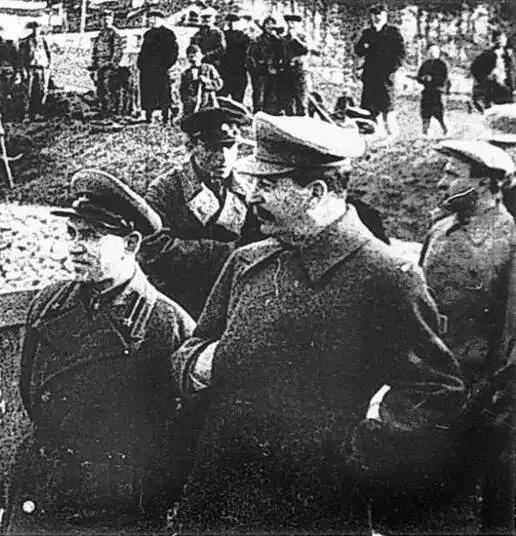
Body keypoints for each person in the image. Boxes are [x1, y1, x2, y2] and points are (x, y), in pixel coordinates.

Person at [170, 113, 481, 534]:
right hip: (219, 498)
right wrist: (205, 364)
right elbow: (193, 347)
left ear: (315, 192)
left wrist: (355, 454)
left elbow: (435, 394)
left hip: (313, 507)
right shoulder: (247, 261)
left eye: (267, 185)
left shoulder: (388, 277)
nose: (253, 196)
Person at [2, 169, 195, 535]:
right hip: (39, 494)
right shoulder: (48, 304)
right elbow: (30, 395)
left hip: (111, 511)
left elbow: (181, 445)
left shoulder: (167, 326)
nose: (75, 247)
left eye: (91, 236)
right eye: (72, 233)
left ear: (131, 244)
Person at [419, 139, 516, 534]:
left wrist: (491, 391)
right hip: (429, 380)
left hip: (479, 390)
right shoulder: (440, 230)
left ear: (485, 184)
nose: (441, 183)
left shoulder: (509, 240)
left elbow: (512, 330)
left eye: (452, 175)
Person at [139, 100, 260, 318]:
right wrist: (227, 252)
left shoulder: (248, 187)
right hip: (180, 297)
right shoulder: (166, 189)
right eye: (212, 148)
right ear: (192, 147)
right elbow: (151, 249)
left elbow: (259, 238)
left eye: (230, 146)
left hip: (234, 293)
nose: (223, 157)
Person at [354, 3, 406, 136]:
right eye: (375, 14)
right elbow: (358, 51)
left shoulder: (393, 32)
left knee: (387, 106)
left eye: (380, 14)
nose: (377, 17)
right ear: (371, 16)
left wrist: (392, 68)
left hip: (385, 76)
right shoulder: (367, 33)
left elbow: (401, 54)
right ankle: (372, 133)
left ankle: (391, 133)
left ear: (385, 15)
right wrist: (364, 46)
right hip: (370, 75)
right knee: (369, 106)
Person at [137, 9, 179, 124]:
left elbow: (173, 53)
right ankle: (148, 117)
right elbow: (143, 51)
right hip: (148, 69)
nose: (152, 21)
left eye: (155, 18)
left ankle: (165, 117)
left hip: (162, 69)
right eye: (150, 19)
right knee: (148, 93)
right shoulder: (148, 34)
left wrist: (165, 66)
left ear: (162, 20)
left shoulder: (168, 34)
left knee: (164, 93)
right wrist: (140, 64)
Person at [246, 16, 285, 114]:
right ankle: (257, 116)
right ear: (264, 26)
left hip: (274, 73)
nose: (270, 26)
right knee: (259, 98)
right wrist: (256, 71)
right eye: (267, 24)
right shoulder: (257, 40)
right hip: (260, 74)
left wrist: (278, 68)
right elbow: (250, 57)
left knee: (272, 99)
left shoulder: (278, 41)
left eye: (272, 24)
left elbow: (283, 55)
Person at [89, 10, 124, 117]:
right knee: (100, 88)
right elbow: (95, 51)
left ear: (112, 20)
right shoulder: (100, 35)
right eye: (104, 19)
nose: (106, 21)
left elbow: (117, 51)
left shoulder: (115, 34)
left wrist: (112, 64)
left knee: (109, 88)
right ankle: (104, 110)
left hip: (109, 66)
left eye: (108, 19)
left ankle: (112, 111)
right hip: (100, 66)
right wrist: (93, 65)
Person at [471, 30, 515, 112]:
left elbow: (512, 71)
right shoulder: (487, 55)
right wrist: (486, 78)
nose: (500, 41)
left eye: (503, 38)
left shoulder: (508, 55)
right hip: (492, 89)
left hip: (506, 89)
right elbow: (475, 69)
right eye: (498, 39)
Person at [18, 21, 51, 122]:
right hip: (30, 69)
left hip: (42, 68)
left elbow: (48, 54)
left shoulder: (43, 41)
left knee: (41, 91)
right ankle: (26, 114)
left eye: (38, 28)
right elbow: (21, 57)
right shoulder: (26, 41)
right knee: (28, 92)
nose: (37, 30)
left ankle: (38, 112)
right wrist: (23, 70)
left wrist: (48, 67)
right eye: (35, 28)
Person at [280, 14, 311, 116]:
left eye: (293, 23)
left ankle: (302, 116)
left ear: (298, 24)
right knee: (288, 99)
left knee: (301, 99)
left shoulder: (303, 36)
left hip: (300, 71)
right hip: (287, 71)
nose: (290, 25)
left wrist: (295, 38)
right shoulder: (285, 38)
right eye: (289, 23)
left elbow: (305, 50)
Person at [179, 44, 223, 117]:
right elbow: (182, 90)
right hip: (191, 108)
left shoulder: (209, 68)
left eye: (196, 56)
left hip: (208, 104)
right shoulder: (186, 73)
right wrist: (188, 100)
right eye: (191, 57)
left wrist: (207, 81)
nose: (194, 59)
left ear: (200, 56)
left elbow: (219, 84)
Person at [0, 24, 20, 123]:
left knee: (12, 93)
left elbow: (17, 60)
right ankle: (4, 115)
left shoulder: (11, 44)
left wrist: (17, 72)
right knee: (1, 95)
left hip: (9, 72)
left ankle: (13, 115)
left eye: (0, 32)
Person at [416, 43, 449, 136]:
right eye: (430, 51)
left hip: (437, 91)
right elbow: (419, 76)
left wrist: (432, 79)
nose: (431, 53)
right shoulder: (425, 64)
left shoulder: (442, 64)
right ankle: (425, 131)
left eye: (434, 51)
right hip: (426, 91)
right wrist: (423, 78)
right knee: (425, 112)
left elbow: (443, 78)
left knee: (438, 112)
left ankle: (445, 129)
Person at [219, 13, 251, 102]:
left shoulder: (244, 36)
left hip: (238, 70)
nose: (232, 23)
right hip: (226, 70)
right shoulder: (223, 35)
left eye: (234, 21)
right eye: (230, 21)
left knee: (237, 97)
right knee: (223, 96)